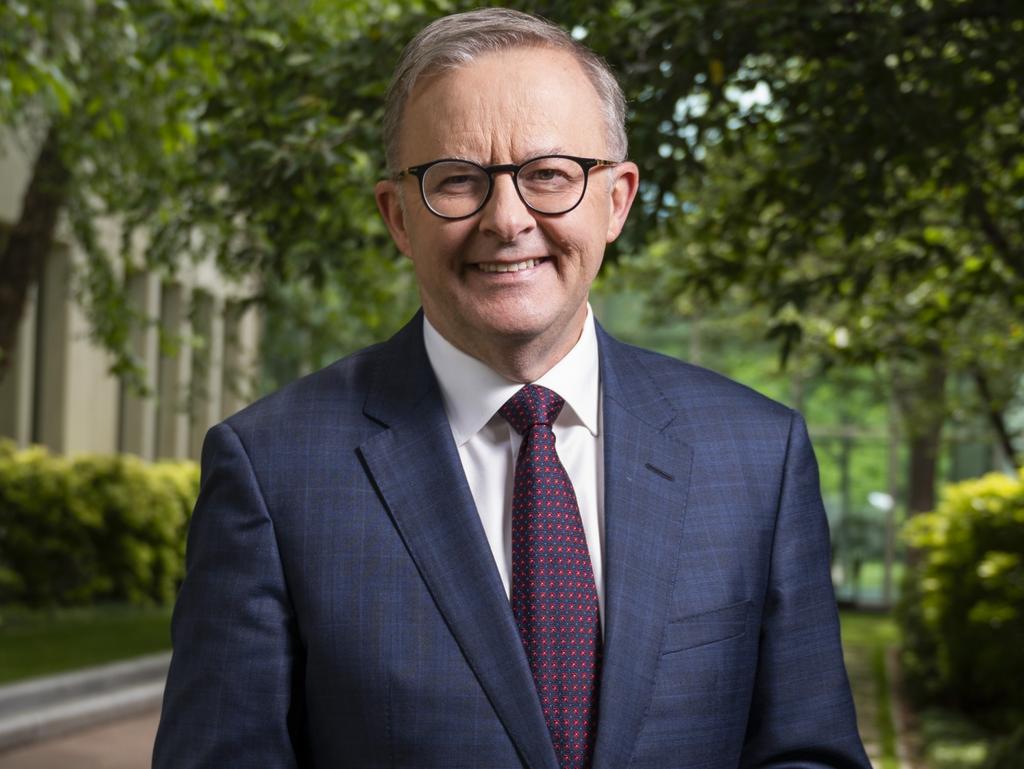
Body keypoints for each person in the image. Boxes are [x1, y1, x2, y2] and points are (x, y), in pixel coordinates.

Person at [153, 8, 871, 769]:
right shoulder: (272, 470)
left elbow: (808, 753)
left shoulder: (759, 455)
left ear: (617, 199)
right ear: (398, 216)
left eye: (550, 175)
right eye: (456, 180)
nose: (507, 218)